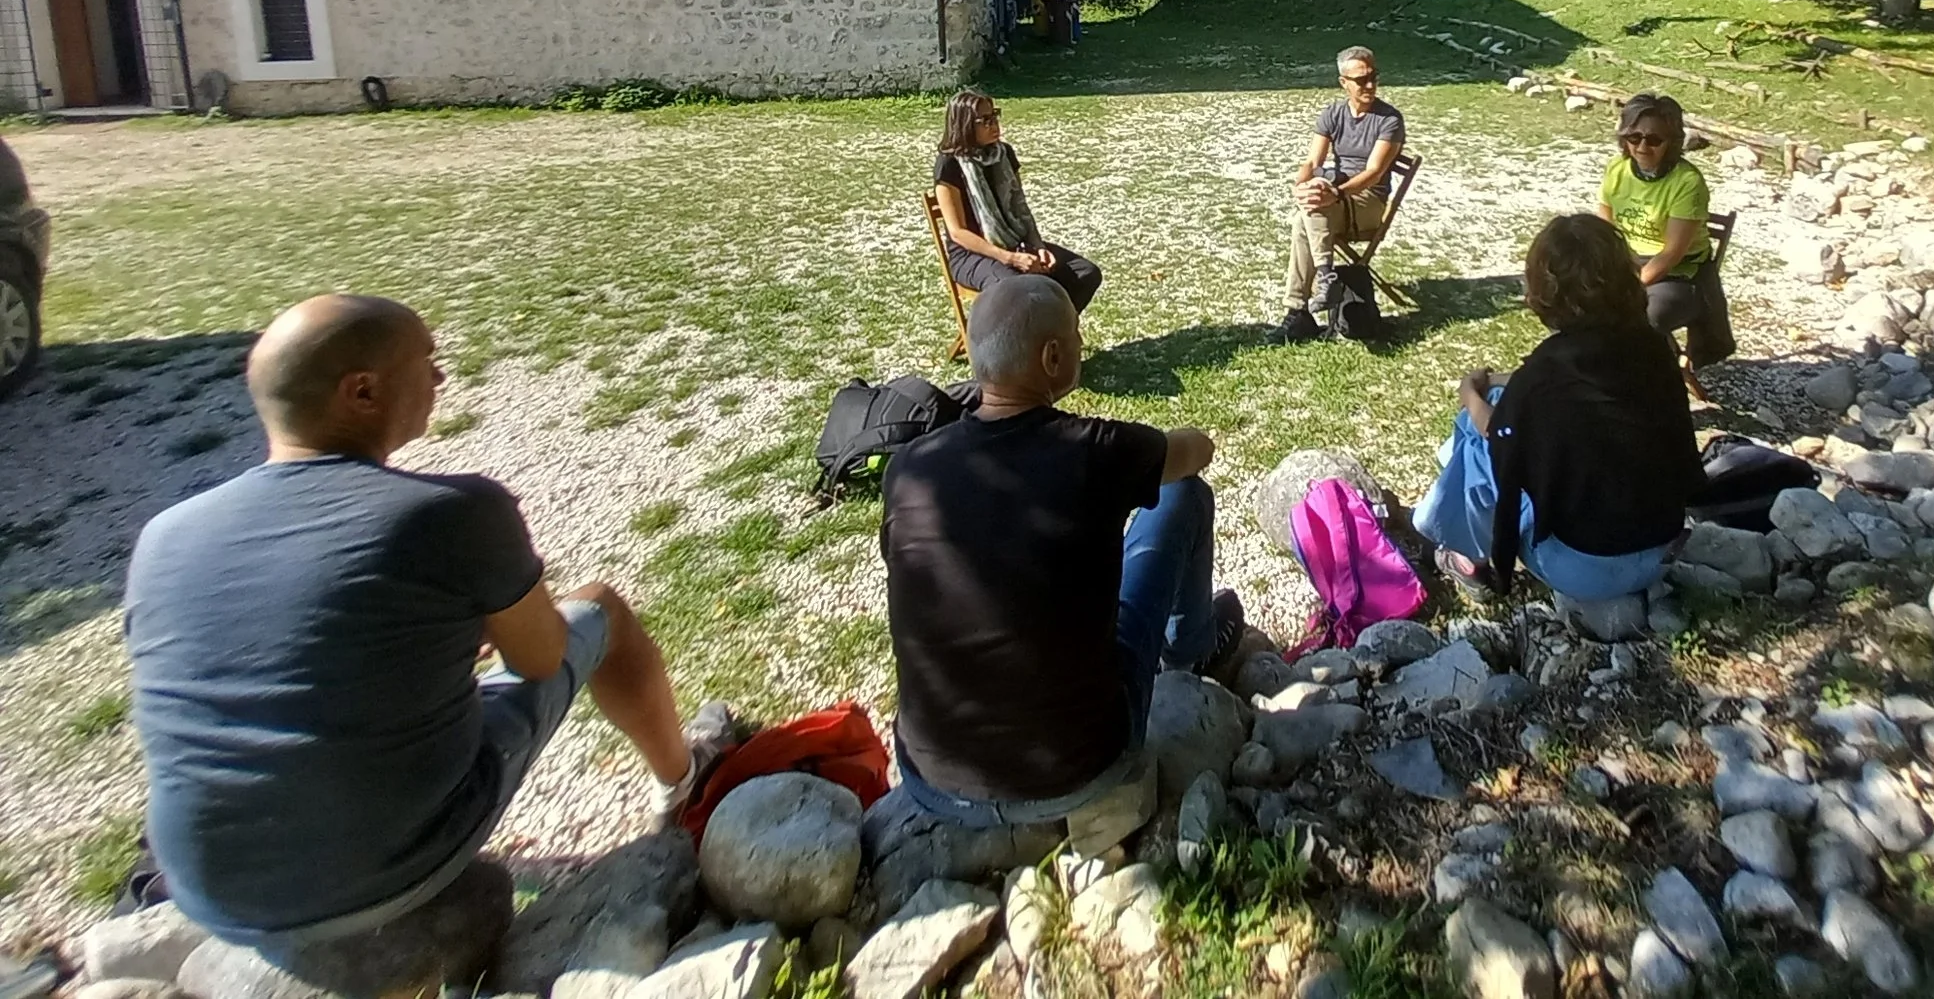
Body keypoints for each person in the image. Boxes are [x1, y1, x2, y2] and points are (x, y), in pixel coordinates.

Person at [122, 296, 731, 955]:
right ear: (362, 390)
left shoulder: (163, 535)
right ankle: (681, 778)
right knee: (599, 609)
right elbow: (539, 655)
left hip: (208, 889)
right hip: (390, 876)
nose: (440, 380)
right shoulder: (452, 511)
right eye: (428, 362)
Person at [880, 275, 1245, 822]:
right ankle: (1190, 647)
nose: (1082, 344)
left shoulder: (909, 467)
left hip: (929, 777)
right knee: (1183, 497)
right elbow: (1197, 451)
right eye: (1076, 336)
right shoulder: (1098, 451)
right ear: (1052, 357)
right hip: (1077, 768)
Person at [1413, 213, 1706, 598]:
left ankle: (1464, 552)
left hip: (1586, 568)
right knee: (1501, 407)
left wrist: (1470, 394)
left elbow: (1500, 434)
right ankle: (1445, 521)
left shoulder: (1549, 369)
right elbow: (1580, 388)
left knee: (1477, 437)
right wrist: (1503, 383)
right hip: (1660, 549)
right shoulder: (1653, 346)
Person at [1276, 45, 1406, 343]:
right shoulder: (1333, 114)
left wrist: (1333, 192)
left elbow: (1373, 173)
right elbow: (1312, 162)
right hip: (1337, 195)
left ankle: (1304, 305)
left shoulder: (1389, 119)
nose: (1370, 85)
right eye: (1361, 80)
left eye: (1373, 77)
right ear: (1343, 83)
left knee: (1312, 210)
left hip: (1369, 201)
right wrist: (1301, 187)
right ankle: (1306, 302)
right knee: (1305, 213)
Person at [933, 89, 1103, 314]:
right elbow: (958, 233)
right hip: (972, 255)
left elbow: (1019, 207)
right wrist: (1010, 258)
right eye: (985, 120)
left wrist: (1038, 246)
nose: (994, 124)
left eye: (995, 115)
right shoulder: (949, 164)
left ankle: (1053, 336)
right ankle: (1032, 342)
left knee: (1085, 273)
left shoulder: (1004, 154)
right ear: (965, 125)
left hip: (1015, 243)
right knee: (1021, 288)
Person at [1599, 93, 1715, 340]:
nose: (1642, 147)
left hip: (1678, 274)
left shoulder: (1687, 182)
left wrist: (1629, 289)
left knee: (1642, 319)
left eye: (1654, 140)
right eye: (1634, 137)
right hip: (1626, 263)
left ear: (1671, 142)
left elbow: (1671, 253)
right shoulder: (1616, 168)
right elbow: (1604, 227)